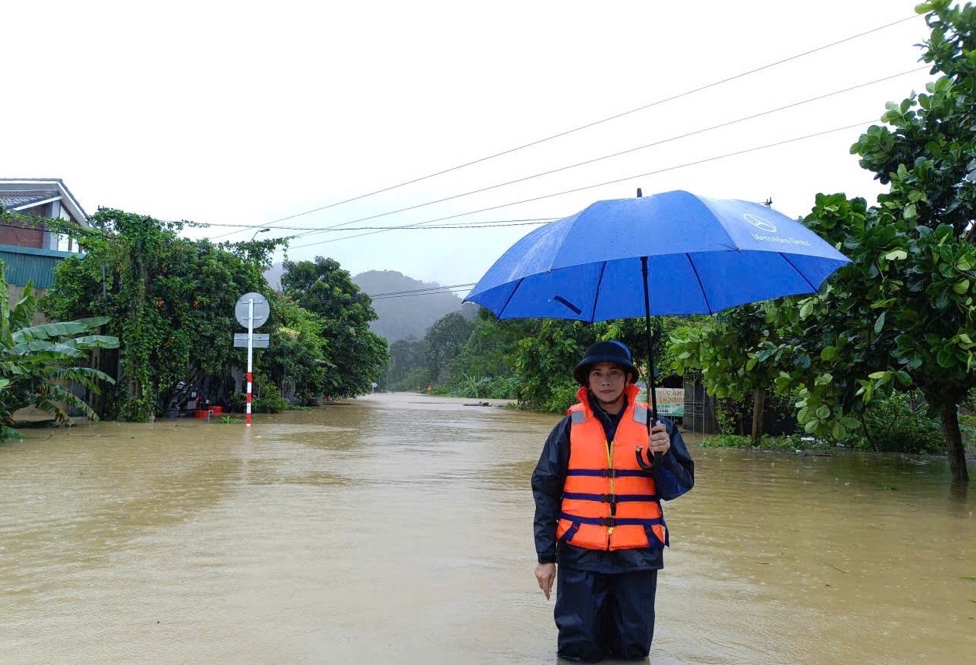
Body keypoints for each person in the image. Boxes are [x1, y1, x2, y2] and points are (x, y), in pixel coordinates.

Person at [531, 340, 695, 662]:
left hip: (637, 557)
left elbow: (679, 486)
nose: (606, 381)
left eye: (614, 373)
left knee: (630, 652)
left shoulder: (657, 427)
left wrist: (659, 458)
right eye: (597, 373)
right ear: (587, 380)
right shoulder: (567, 429)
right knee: (577, 651)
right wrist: (545, 557)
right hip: (580, 557)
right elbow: (545, 492)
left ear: (628, 379)